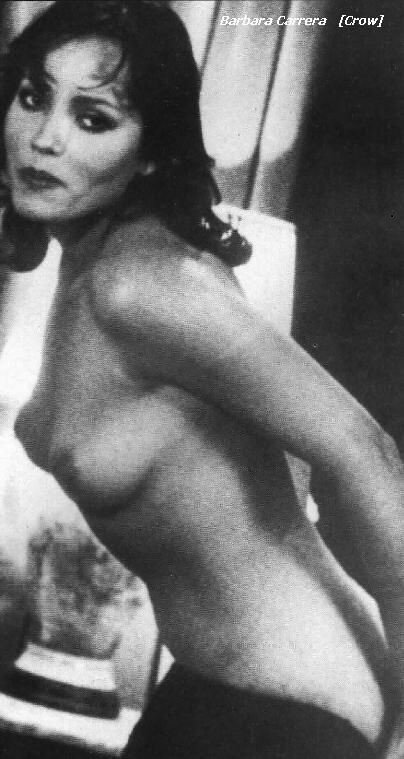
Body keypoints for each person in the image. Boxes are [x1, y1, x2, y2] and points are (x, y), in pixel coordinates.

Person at [0, 2, 403, 757]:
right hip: (209, 695)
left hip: (293, 715)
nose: (45, 137)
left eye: (93, 118)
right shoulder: (89, 273)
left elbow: (367, 453)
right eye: (31, 96)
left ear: (151, 154)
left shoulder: (148, 285)